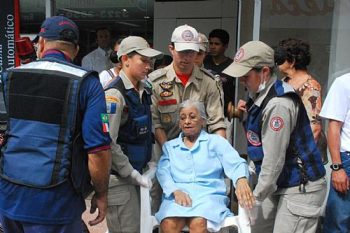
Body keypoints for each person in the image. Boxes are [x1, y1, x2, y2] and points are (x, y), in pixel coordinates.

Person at [0, 16, 111, 233]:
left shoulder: (10, 76)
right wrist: (101, 194)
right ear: (76, 50)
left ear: (40, 43)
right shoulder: (87, 83)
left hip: (9, 193)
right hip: (56, 201)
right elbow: (98, 151)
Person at [223, 41, 327, 233]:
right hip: (279, 182)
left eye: (245, 76)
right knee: (258, 228)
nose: (242, 82)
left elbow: (274, 160)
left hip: (301, 184)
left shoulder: (278, 104)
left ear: (264, 72)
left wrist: (254, 196)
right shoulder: (259, 96)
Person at [156, 99, 254, 232]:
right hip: (177, 196)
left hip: (208, 196)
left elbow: (236, 163)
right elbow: (162, 172)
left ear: (203, 121)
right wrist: (175, 191)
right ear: (179, 123)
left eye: (192, 117)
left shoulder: (215, 142)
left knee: (198, 223)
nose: (187, 121)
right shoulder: (170, 147)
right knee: (168, 224)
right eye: (183, 118)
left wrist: (241, 179)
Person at [104, 36, 162, 233]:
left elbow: (147, 132)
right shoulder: (113, 95)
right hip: (120, 181)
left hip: (140, 175)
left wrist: (151, 161)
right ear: (125, 59)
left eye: (150, 61)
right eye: (143, 60)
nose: (149, 66)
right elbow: (107, 142)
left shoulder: (144, 90)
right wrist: (130, 172)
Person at [320, 72, 350, 233]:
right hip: (347, 161)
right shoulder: (344, 83)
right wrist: (337, 167)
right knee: (339, 223)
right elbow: (334, 127)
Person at [203, 29, 235, 121]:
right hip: (204, 113)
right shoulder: (203, 62)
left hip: (224, 115)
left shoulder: (232, 66)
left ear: (225, 46)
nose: (212, 47)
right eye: (211, 43)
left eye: (217, 44)